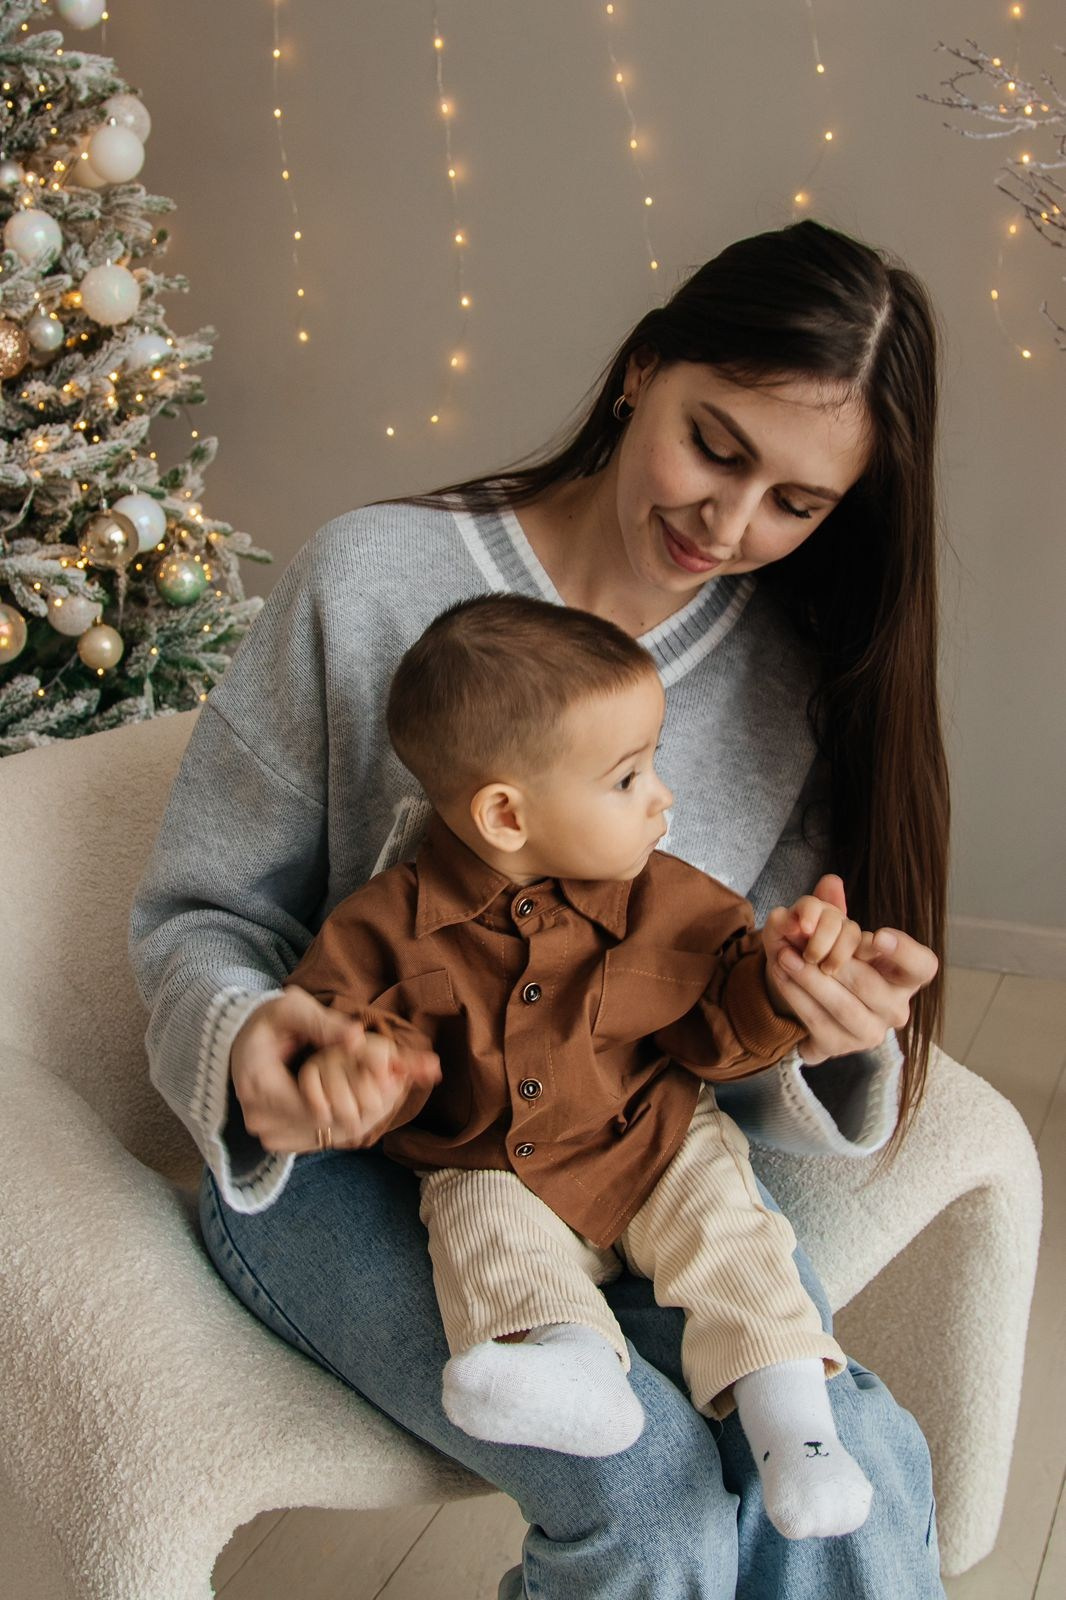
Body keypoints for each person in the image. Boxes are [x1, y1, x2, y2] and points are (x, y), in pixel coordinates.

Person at [130, 218, 949, 1599]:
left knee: (846, 1468)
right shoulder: (370, 581)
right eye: (717, 446)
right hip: (360, 1169)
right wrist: (256, 1058)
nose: (731, 525)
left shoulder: (790, 684)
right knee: (647, 1504)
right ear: (640, 371)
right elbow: (202, 917)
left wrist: (823, 1022)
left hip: (626, 1150)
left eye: (796, 505)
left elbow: (712, 1032)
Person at [285, 591, 897, 1541]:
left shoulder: (670, 899)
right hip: (494, 1161)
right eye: (629, 777)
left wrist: (784, 983)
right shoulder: (380, 927)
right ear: (505, 814)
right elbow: (335, 1038)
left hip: (651, 1137)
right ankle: (569, 1362)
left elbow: (716, 1018)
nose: (665, 795)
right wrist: (352, 1074)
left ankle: (796, 1428)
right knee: (482, 1236)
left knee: (730, 1235)